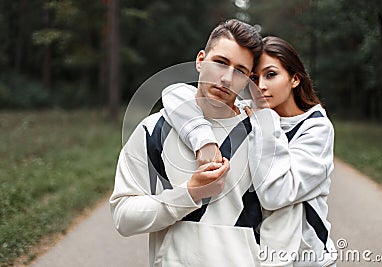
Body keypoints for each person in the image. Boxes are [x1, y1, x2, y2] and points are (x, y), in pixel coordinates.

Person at [161, 36, 337, 266]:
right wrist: (204, 142)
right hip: (259, 256)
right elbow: (174, 93)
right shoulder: (251, 113)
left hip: (308, 260)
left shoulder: (315, 129)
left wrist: (265, 119)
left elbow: (275, 194)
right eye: (254, 77)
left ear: (294, 79)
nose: (261, 86)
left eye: (271, 75)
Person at [110, 19, 267, 267]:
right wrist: (189, 193)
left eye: (240, 71)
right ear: (200, 60)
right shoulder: (153, 130)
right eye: (220, 62)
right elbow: (123, 217)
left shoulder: (262, 135)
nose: (226, 78)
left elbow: (281, 220)